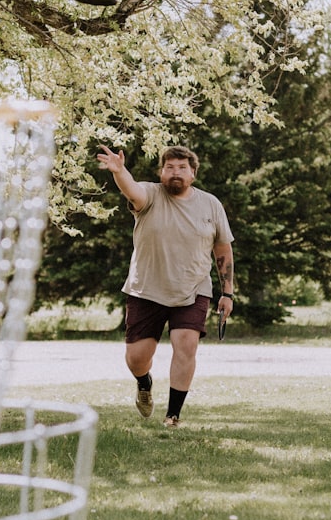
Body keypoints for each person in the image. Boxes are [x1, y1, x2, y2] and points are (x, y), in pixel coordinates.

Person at [96, 145, 234, 428]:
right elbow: (132, 190)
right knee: (137, 358)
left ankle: (173, 416)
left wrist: (227, 292)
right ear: (161, 172)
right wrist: (120, 172)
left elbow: (222, 249)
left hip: (193, 288)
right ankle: (143, 382)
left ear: (193, 173)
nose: (176, 172)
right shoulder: (150, 195)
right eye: (170, 167)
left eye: (182, 168)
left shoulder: (211, 205)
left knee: (186, 346)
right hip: (146, 289)